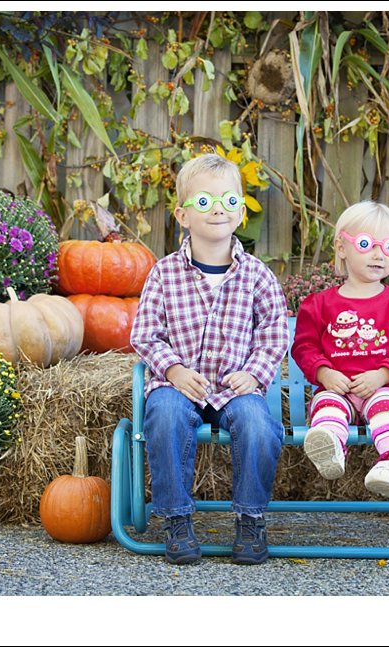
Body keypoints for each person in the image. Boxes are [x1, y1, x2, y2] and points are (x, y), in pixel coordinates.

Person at [130, 153, 289, 566]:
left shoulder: (257, 275)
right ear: (183, 215)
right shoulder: (163, 273)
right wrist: (174, 369)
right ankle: (177, 519)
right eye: (204, 202)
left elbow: (274, 333)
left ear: (239, 213)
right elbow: (144, 333)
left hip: (235, 387)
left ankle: (251, 518)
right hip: (179, 385)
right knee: (162, 415)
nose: (218, 209)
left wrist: (253, 375)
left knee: (258, 425)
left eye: (228, 201)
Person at [291, 201, 389, 498]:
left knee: (387, 413)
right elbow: (304, 346)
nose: (379, 254)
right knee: (327, 410)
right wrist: (324, 373)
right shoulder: (319, 304)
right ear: (341, 248)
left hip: (382, 389)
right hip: (336, 389)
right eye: (366, 244)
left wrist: (382, 375)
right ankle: (331, 449)